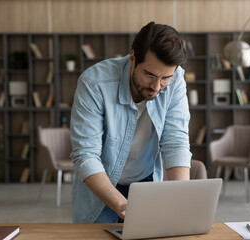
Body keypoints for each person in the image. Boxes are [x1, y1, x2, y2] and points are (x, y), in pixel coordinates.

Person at [70, 21, 192, 223]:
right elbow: (85, 155)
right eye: (149, 75)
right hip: (101, 187)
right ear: (132, 58)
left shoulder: (177, 80)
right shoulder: (94, 84)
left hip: (146, 184)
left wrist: (180, 200)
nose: (156, 87)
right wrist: (125, 206)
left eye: (165, 78)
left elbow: (176, 142)